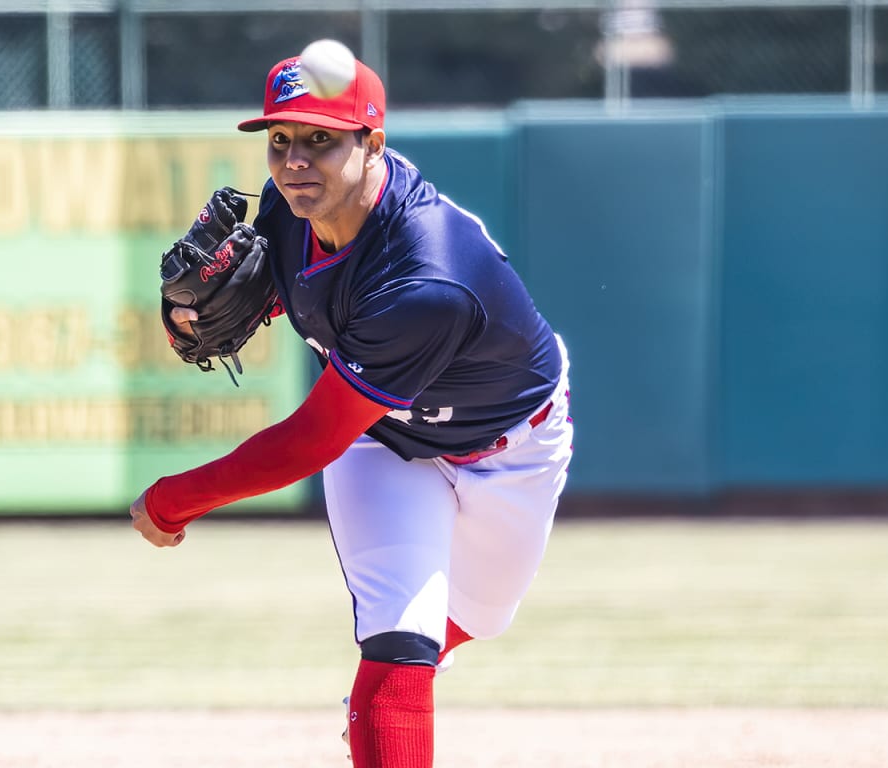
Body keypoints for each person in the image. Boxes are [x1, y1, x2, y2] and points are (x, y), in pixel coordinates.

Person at [129, 50, 574, 767]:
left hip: (511, 449)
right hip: (381, 441)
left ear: (372, 143)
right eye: (280, 140)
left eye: (320, 139)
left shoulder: (427, 278)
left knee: (482, 618)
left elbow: (307, 442)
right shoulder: (286, 211)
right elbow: (264, 305)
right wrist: (185, 317)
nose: (294, 161)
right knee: (401, 637)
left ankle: (399, 686)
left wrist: (176, 499)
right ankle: (391, 691)